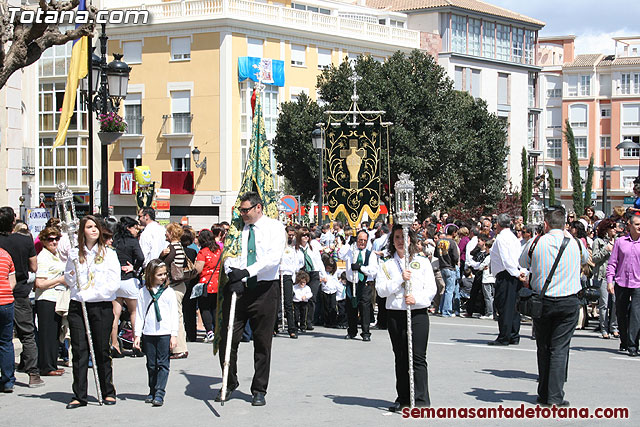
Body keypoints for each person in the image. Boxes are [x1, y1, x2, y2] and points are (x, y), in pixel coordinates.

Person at [217, 192, 286, 406]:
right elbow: (227, 254)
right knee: (228, 337)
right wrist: (232, 273)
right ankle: (229, 381)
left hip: (264, 290)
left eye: (246, 210)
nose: (243, 214)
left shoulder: (274, 228)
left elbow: (273, 258)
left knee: (262, 341)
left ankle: (259, 389)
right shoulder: (237, 229)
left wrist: (247, 271)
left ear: (258, 208)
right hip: (238, 289)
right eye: (241, 210)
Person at [520, 206, 588, 406]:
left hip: (543, 301)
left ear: (546, 224)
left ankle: (543, 393)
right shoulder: (575, 243)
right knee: (559, 349)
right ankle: (555, 397)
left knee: (543, 347)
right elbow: (585, 258)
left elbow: (522, 260)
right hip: (568, 300)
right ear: (565, 224)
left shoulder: (537, 242)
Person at [376, 224, 437, 411]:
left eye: (404, 237)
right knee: (401, 357)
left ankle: (420, 399)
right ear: (392, 241)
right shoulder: (387, 264)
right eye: (397, 238)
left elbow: (431, 289)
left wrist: (417, 299)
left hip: (418, 313)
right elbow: (381, 290)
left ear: (411, 239)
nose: (401, 241)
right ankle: (403, 398)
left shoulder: (422, 262)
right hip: (396, 314)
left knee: (418, 357)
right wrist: (399, 279)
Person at [64, 215, 121, 408]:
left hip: (100, 305)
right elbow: (70, 281)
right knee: (80, 351)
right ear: (83, 231)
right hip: (79, 305)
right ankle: (79, 394)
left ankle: (107, 391)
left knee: (101, 349)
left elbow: (113, 283)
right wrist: (71, 268)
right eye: (89, 227)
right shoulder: (75, 253)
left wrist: (93, 294)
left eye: (96, 227)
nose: (94, 230)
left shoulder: (109, 254)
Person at [0, 206, 42, 387]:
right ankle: (33, 373)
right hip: (20, 291)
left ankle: (7, 376)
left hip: (3, 292)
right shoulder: (24, 241)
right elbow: (34, 267)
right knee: (27, 334)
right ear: (13, 222)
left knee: (5, 338)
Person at [133, 259, 178, 407]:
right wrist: (137, 335)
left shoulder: (169, 292)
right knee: (151, 364)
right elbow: (139, 314)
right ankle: (152, 390)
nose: (163, 277)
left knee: (163, 364)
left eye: (165, 274)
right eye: (159, 274)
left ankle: (160, 392)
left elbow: (174, 314)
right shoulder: (143, 292)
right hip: (149, 332)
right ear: (151, 275)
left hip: (164, 332)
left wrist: (174, 334)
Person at [489, 214, 527, 346]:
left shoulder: (502, 238)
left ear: (499, 224)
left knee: (504, 306)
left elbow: (507, 259)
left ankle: (504, 336)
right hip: (512, 273)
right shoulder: (512, 237)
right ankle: (513, 334)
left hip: (507, 275)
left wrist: (516, 273)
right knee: (513, 307)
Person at [34, 227, 67, 376]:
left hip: (56, 298)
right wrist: (59, 280)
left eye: (56, 239)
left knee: (54, 333)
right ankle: (46, 366)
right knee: (47, 334)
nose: (54, 242)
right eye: (50, 239)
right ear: (43, 241)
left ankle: (52, 364)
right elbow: (40, 283)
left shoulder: (56, 255)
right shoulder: (43, 257)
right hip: (46, 298)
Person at [607, 214, 640, 357]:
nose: (639, 227)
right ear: (630, 226)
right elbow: (612, 263)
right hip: (621, 282)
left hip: (638, 284)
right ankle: (624, 341)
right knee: (621, 313)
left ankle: (633, 345)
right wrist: (610, 281)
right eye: (637, 224)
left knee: (636, 314)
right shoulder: (620, 242)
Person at [110, 216, 144, 357]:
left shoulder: (114, 241)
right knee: (134, 312)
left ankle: (114, 344)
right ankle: (137, 343)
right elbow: (141, 258)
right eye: (135, 227)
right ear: (128, 228)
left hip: (115, 280)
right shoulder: (132, 242)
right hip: (129, 279)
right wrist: (134, 268)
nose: (136, 230)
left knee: (115, 314)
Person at [338, 229, 379, 341]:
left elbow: (374, 271)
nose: (362, 242)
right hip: (351, 283)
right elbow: (340, 254)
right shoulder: (350, 252)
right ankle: (351, 331)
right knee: (351, 308)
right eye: (360, 240)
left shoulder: (370, 255)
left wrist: (361, 268)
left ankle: (365, 332)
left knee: (364, 308)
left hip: (364, 284)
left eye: (364, 240)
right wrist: (349, 243)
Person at [160, 223, 190, 359]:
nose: (166, 234)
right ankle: (179, 347)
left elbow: (163, 265)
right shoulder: (180, 247)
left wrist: (161, 255)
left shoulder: (172, 247)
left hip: (174, 285)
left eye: (167, 232)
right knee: (178, 315)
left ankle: (179, 348)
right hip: (181, 284)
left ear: (171, 234)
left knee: (176, 316)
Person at [194, 229, 222, 343]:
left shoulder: (203, 252)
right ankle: (217, 331)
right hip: (218, 283)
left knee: (205, 308)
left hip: (206, 283)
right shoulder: (219, 250)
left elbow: (198, 269)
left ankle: (209, 332)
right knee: (215, 308)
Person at [295, 226, 326, 330]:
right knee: (300, 298)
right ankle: (300, 321)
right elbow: (295, 263)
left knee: (311, 297)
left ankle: (309, 321)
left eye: (307, 235)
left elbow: (318, 261)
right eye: (303, 235)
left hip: (313, 272)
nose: (306, 237)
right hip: (302, 273)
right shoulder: (296, 249)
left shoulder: (313, 247)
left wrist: (323, 274)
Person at [592, 219, 618, 339]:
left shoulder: (618, 241)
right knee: (604, 303)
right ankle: (604, 328)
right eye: (611, 227)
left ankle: (614, 327)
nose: (613, 230)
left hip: (616, 275)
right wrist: (605, 249)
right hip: (603, 275)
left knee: (615, 302)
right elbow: (595, 258)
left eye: (614, 227)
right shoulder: (598, 241)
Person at [279, 226, 302, 339]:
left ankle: (292, 329)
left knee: (288, 303)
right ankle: (273, 327)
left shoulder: (292, 249)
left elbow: (296, 265)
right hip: (278, 275)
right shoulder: (277, 248)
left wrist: (293, 277)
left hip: (287, 276)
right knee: (276, 302)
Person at [0, 246, 16, 392]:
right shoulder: (5, 254)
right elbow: (12, 282)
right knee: (6, 342)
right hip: (5, 302)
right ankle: (8, 380)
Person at [436, 224, 460, 317]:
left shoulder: (439, 242)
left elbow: (436, 254)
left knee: (446, 289)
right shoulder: (452, 242)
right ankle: (447, 311)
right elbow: (455, 256)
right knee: (450, 290)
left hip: (442, 266)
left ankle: (442, 308)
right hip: (450, 267)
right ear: (454, 233)